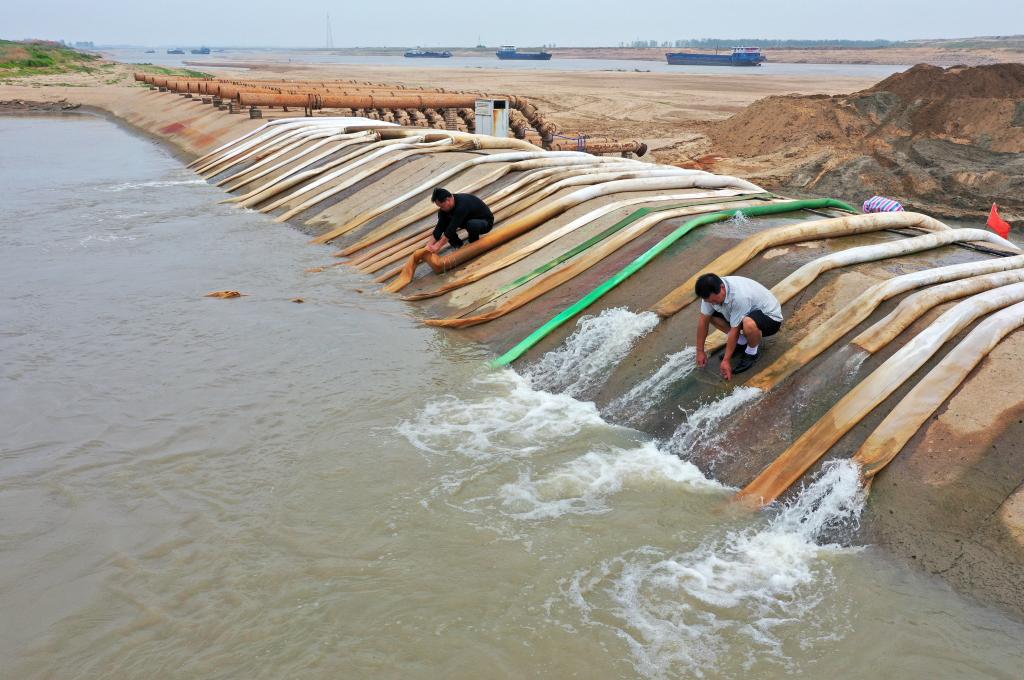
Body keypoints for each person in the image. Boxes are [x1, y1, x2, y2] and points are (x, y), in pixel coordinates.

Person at [694, 273, 783, 381]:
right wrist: (700, 351)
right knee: (709, 316)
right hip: (743, 313)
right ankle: (742, 342)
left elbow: (734, 330)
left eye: (714, 300)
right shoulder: (709, 293)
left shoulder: (739, 296)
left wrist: (726, 360)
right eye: (709, 302)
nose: (713, 303)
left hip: (770, 319)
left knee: (748, 324)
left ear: (722, 287)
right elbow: (703, 321)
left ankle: (751, 352)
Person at [425, 188, 494, 253]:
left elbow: (452, 228)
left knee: (471, 225)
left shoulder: (462, 205)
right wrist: (428, 246)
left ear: (448, 200)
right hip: (466, 220)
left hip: (484, 222)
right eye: (440, 207)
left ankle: (473, 242)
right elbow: (440, 227)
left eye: (442, 206)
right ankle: (458, 245)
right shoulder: (444, 210)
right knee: (444, 221)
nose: (441, 209)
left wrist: (437, 246)